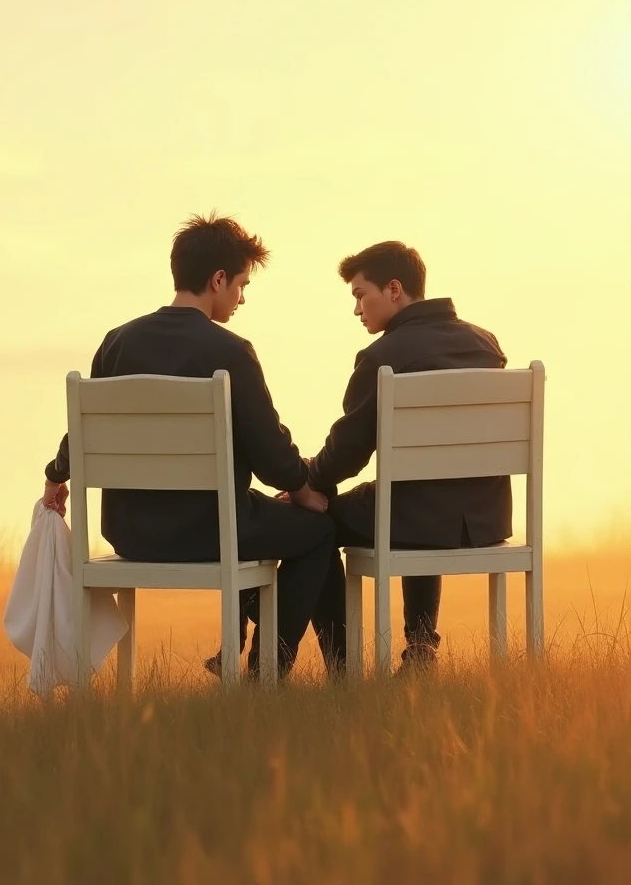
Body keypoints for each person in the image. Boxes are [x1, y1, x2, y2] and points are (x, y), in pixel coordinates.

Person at [42, 213, 340, 677]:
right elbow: (270, 453)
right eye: (241, 284)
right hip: (212, 532)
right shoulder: (231, 351)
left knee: (258, 514)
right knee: (319, 533)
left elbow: (85, 429)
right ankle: (269, 671)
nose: (241, 298)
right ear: (218, 279)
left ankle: (241, 651)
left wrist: (56, 474)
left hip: (131, 532)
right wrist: (303, 490)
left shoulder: (117, 342)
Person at [308, 241, 512, 671]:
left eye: (361, 295)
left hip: (414, 518)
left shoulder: (384, 357)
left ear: (394, 289)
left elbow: (347, 454)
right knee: (418, 492)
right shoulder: (486, 344)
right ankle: (421, 648)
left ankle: (342, 670)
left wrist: (310, 482)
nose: (357, 308)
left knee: (312, 524)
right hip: (486, 518)